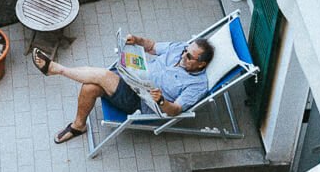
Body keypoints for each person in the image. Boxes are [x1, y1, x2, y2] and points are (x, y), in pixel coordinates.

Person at [32, 33, 215, 144]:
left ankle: (55, 69)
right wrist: (136, 39)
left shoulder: (197, 85)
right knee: (89, 88)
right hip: (132, 75)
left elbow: (175, 110)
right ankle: (78, 126)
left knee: (103, 76)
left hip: (141, 99)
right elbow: (151, 46)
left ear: (201, 64)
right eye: (185, 51)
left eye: (189, 56)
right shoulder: (180, 49)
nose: (184, 55)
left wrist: (161, 101)